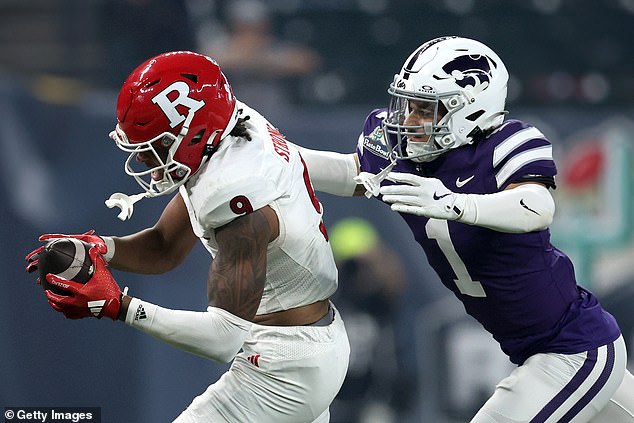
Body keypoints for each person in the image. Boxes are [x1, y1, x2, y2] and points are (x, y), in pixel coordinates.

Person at [295, 36, 634, 422]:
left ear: (471, 109)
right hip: (541, 349)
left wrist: (455, 204)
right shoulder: (405, 155)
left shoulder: (507, 144)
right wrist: (280, 156)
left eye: (425, 109)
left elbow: (538, 207)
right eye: (407, 106)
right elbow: (353, 173)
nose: (408, 121)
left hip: (573, 348)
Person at [25, 51, 349, 423]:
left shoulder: (236, 196)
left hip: (285, 367)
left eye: (156, 145)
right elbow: (163, 247)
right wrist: (101, 249)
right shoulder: (228, 134)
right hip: (303, 346)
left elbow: (222, 338)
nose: (146, 160)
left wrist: (118, 306)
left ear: (193, 131)